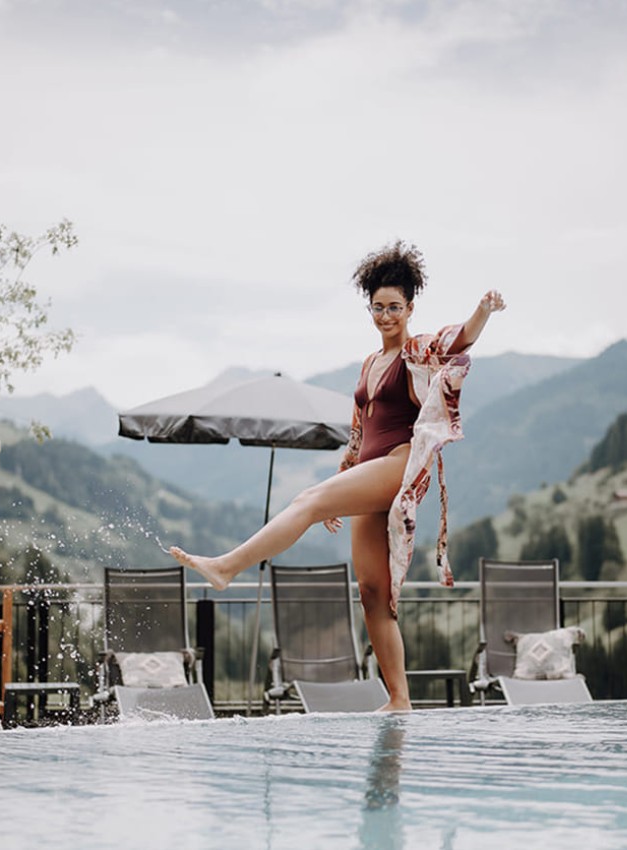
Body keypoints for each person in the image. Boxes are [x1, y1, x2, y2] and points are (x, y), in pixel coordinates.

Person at [171, 240, 505, 710]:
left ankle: (226, 567)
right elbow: (359, 430)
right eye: (378, 308)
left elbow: (457, 340)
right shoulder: (369, 364)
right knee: (372, 593)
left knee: (307, 501)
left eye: (394, 307)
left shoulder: (415, 352)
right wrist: (344, 474)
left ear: (410, 307)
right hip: (368, 471)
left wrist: (483, 311)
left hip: (397, 466)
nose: (385, 316)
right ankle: (400, 699)